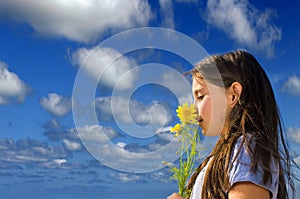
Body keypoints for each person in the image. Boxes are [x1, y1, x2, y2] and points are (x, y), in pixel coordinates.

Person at [167, 50, 296, 199]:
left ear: (233, 95)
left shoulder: (245, 149)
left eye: (200, 96)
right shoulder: (236, 151)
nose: (195, 110)